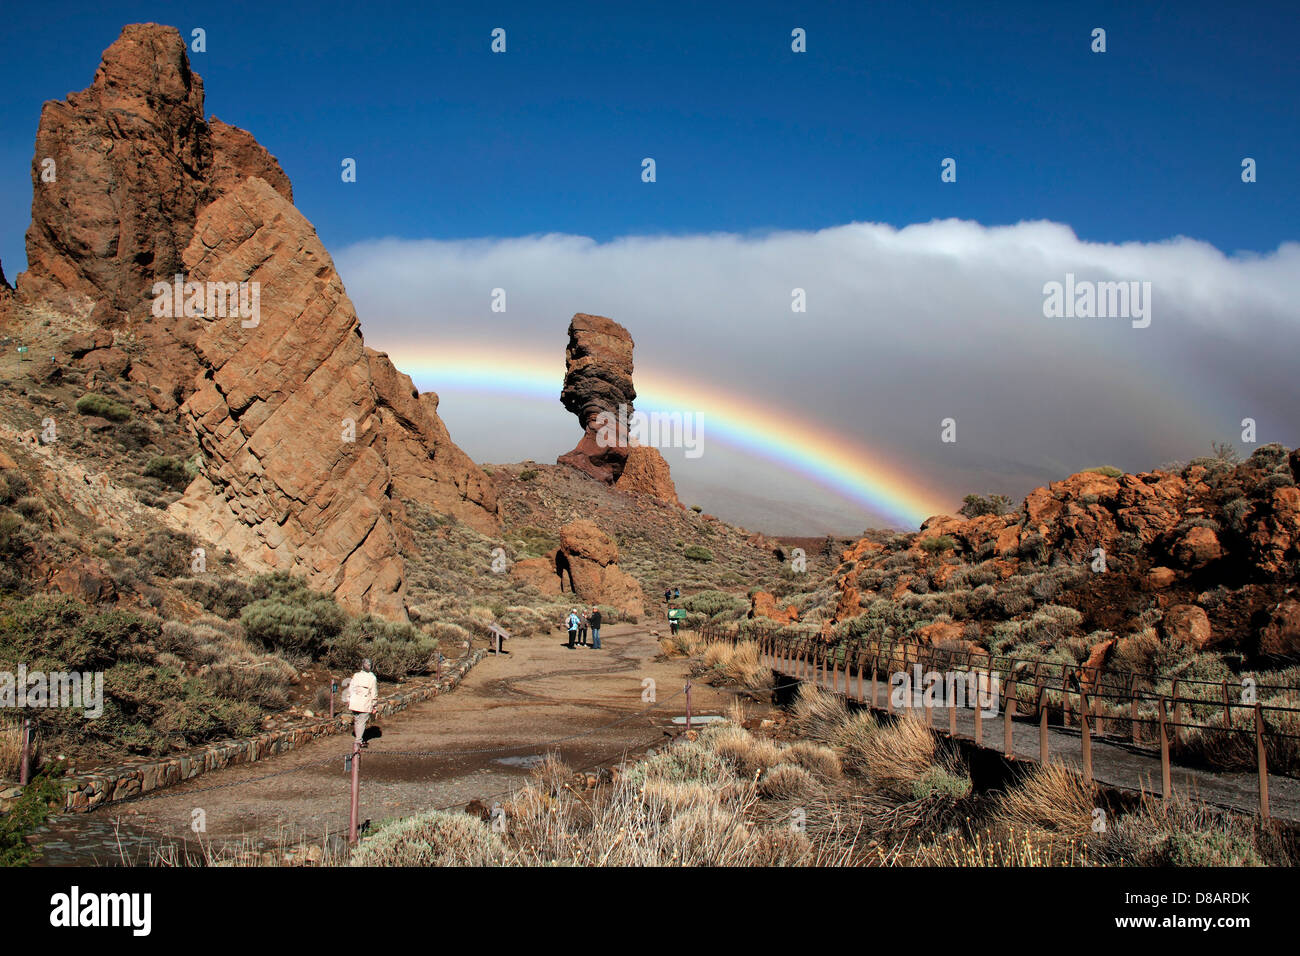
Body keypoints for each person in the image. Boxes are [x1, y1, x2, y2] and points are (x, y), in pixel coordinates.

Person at [348, 658, 378, 748]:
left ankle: (358, 738)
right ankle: (358, 741)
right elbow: (374, 692)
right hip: (364, 702)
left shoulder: (356, 675)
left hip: (355, 701)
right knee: (361, 722)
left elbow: (351, 688)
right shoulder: (372, 678)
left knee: (357, 720)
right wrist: (374, 705)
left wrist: (349, 699)